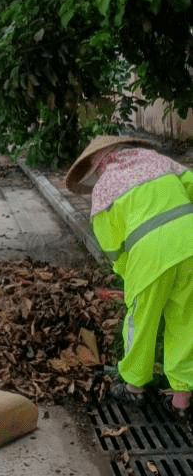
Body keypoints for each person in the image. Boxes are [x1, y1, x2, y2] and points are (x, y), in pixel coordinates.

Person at [65, 134, 193, 419]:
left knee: (141, 320)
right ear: (126, 149)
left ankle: (134, 387)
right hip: (191, 244)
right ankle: (182, 398)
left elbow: (111, 247)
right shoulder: (159, 161)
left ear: (97, 165)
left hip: (149, 258)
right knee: (186, 318)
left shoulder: (104, 190)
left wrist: (128, 274)